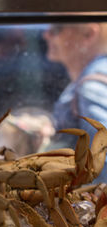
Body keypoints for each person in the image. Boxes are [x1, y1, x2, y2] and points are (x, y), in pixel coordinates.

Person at [43, 23, 107, 183]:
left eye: (56, 29)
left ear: (88, 35)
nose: (46, 34)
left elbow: (102, 163)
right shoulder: (89, 79)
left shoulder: (91, 88)